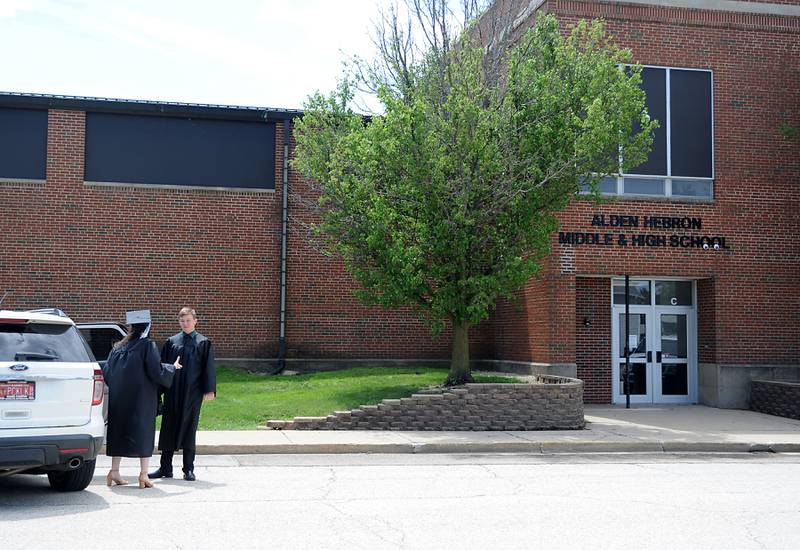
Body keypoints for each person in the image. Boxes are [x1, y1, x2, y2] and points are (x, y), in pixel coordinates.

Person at [103, 310, 180, 489]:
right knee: (143, 433)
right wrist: (172, 367)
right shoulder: (147, 345)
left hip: (119, 400)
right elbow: (156, 371)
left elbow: (107, 372)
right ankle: (143, 475)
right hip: (141, 400)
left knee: (119, 433)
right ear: (147, 327)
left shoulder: (118, 347)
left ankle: (114, 471)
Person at [149, 306, 216, 481]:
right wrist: (159, 390)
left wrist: (209, 389)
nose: (185, 324)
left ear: (195, 321)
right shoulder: (171, 342)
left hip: (192, 394)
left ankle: (188, 469)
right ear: (179, 322)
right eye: (182, 321)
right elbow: (163, 366)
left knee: (189, 428)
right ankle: (165, 468)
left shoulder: (203, 342)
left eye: (188, 320)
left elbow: (208, 368)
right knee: (168, 427)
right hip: (172, 391)